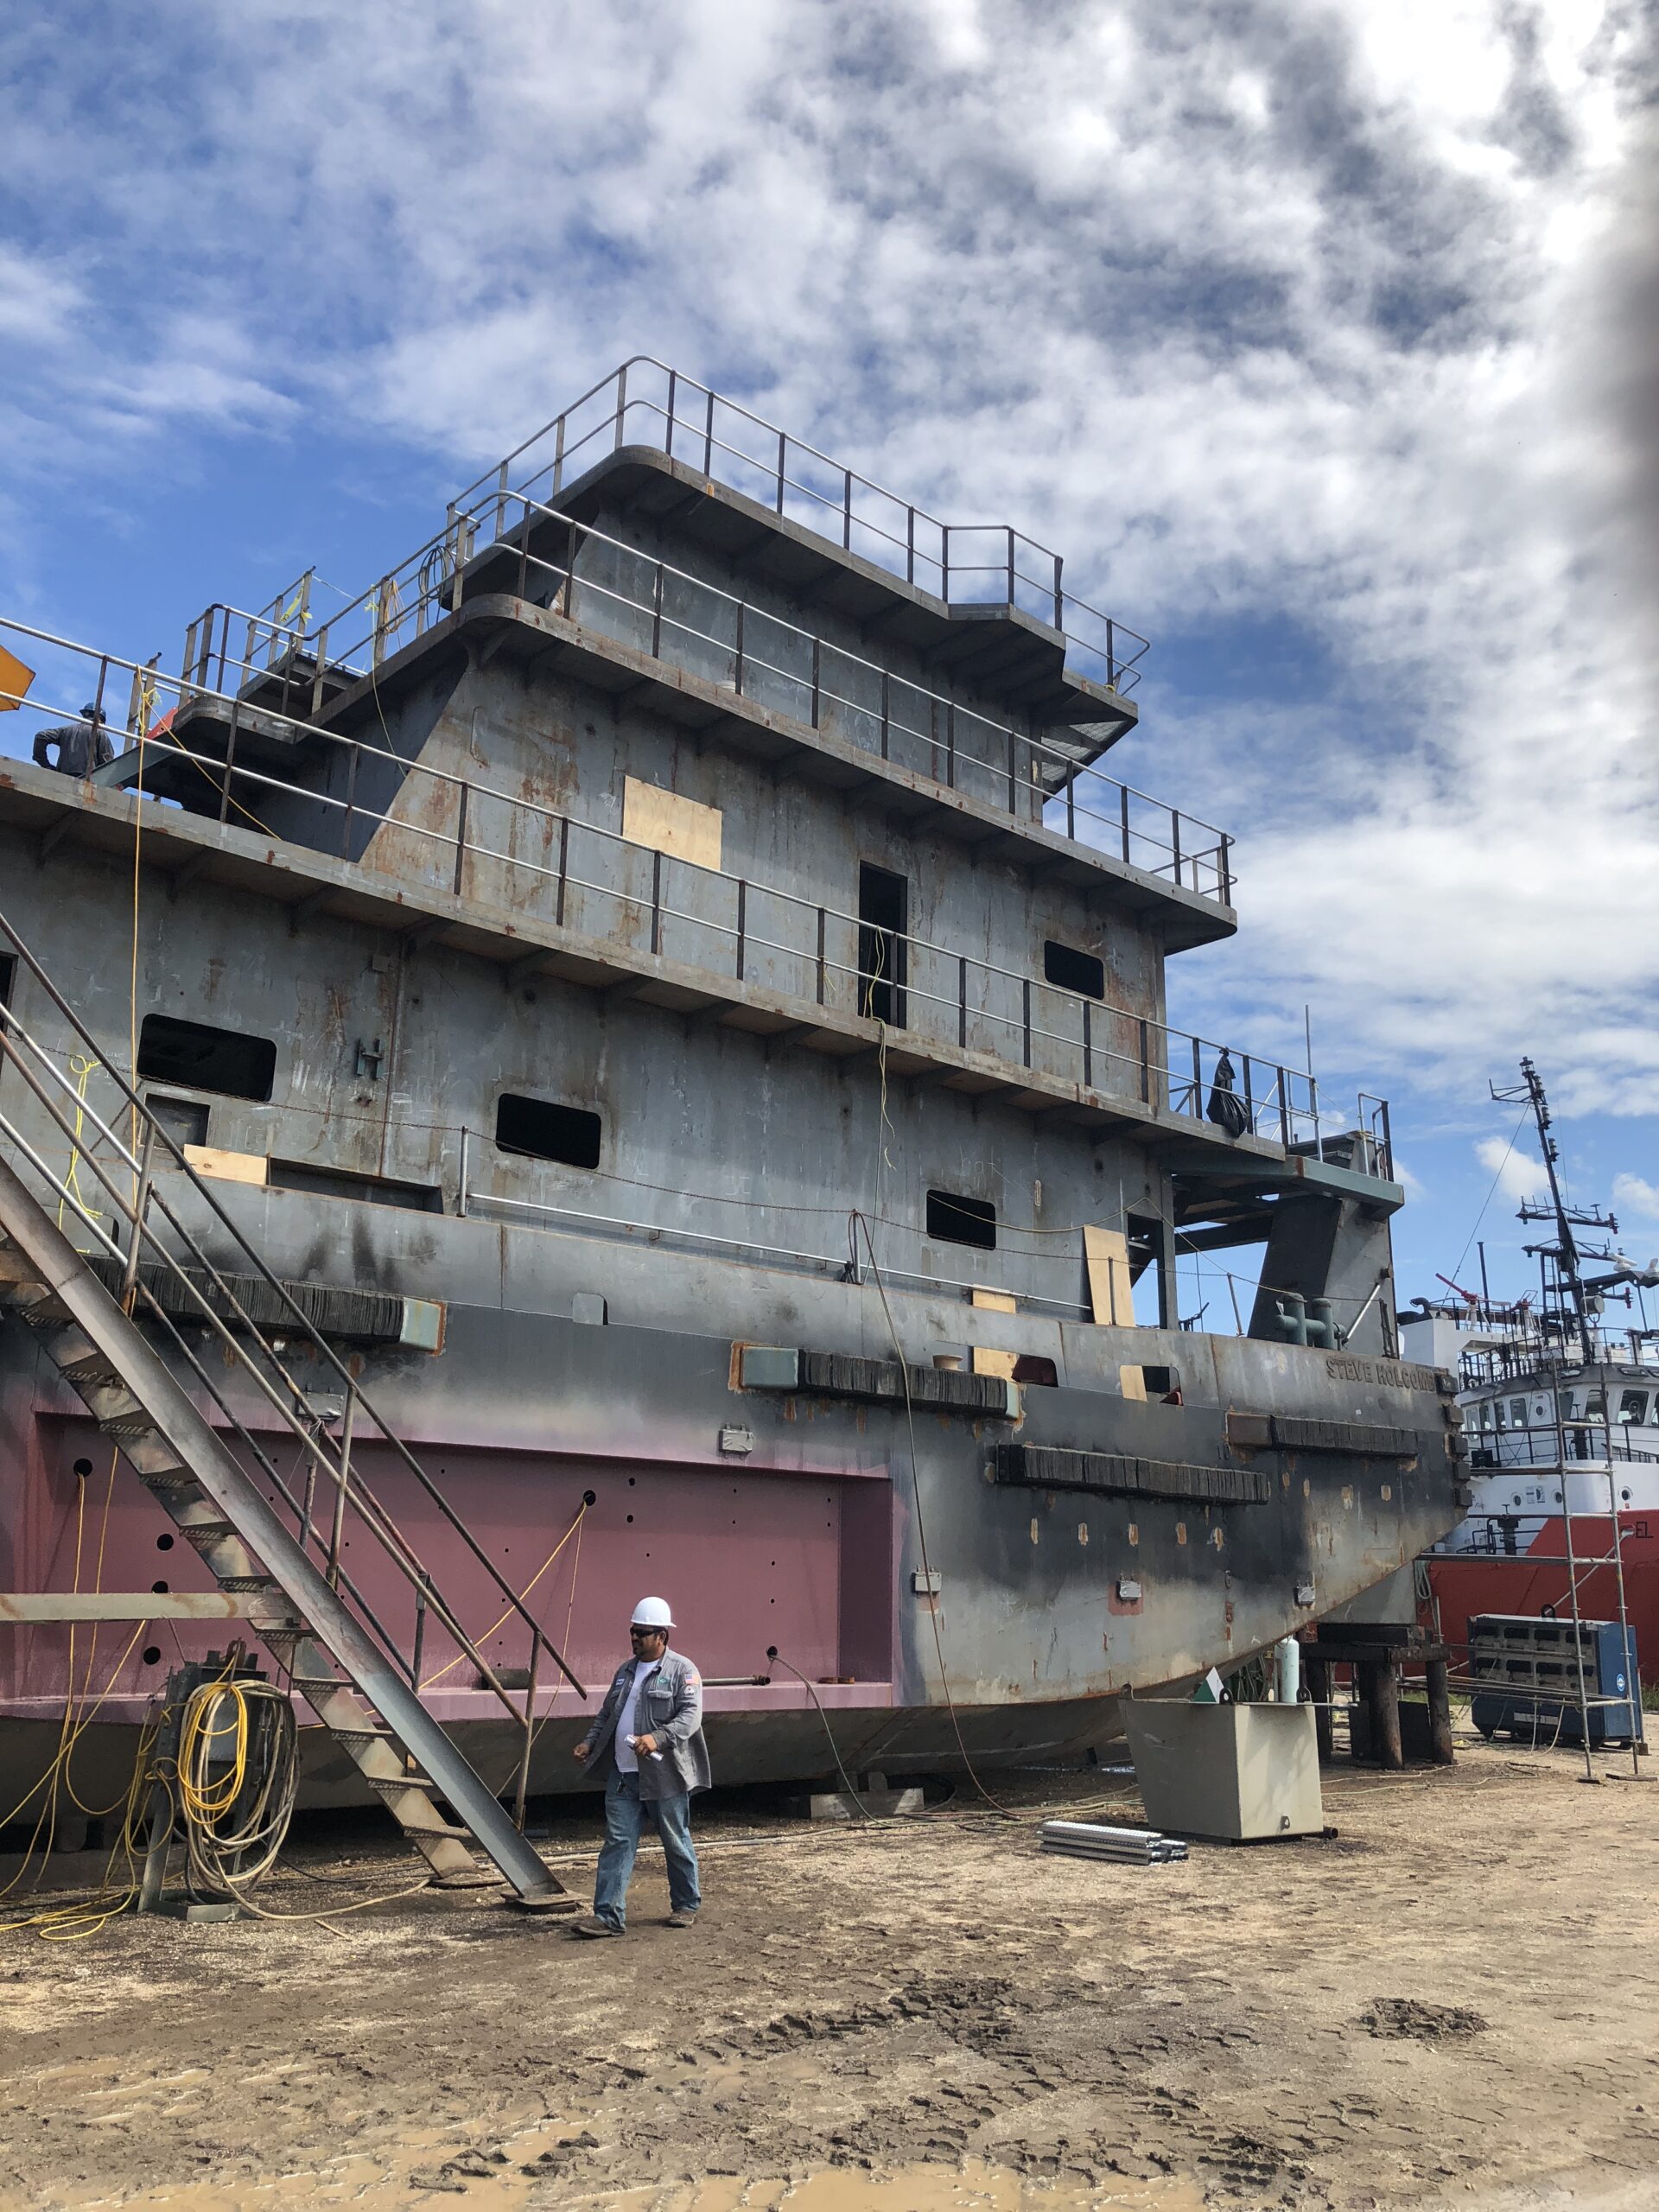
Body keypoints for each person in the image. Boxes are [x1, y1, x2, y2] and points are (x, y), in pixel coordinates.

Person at [570, 1595, 709, 1937]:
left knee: (675, 1839)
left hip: (665, 1776)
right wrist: (589, 1742)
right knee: (617, 1842)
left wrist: (658, 1738)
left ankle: (686, 1904)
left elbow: (690, 1717)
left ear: (662, 1636)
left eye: (642, 1633)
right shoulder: (625, 1671)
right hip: (623, 1775)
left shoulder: (683, 1671)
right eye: (633, 1631)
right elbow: (607, 1714)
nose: (634, 1638)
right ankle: (607, 1917)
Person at [32, 702, 115, 779]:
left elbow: (41, 736)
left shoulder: (66, 730)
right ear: (100, 720)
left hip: (62, 778)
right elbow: (107, 763)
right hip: (88, 779)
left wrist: (45, 764)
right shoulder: (101, 733)